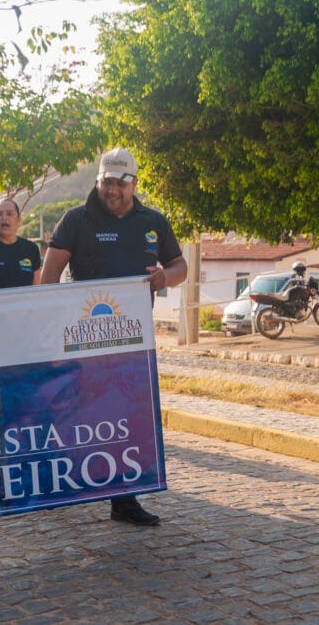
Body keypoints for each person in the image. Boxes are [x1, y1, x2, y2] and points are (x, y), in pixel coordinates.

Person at [40, 147, 187, 527]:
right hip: (80, 343)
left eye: (121, 183)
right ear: (99, 181)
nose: (113, 190)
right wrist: (52, 324)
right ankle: (54, 486)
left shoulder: (153, 221)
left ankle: (124, 500)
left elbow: (180, 266)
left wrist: (164, 278)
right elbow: (50, 273)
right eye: (107, 182)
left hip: (132, 344)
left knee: (124, 420)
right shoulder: (76, 219)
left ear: (134, 184)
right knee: (75, 414)